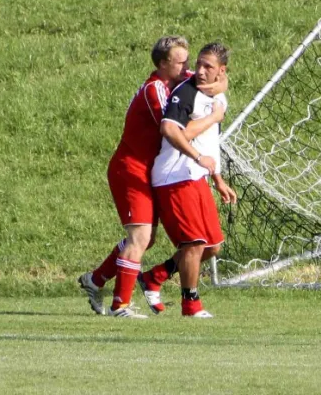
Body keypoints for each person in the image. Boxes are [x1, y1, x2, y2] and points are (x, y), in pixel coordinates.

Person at [78, 36, 227, 318]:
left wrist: (219, 86)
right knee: (141, 236)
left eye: (189, 61)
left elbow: (216, 81)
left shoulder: (178, 83)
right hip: (131, 167)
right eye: (180, 62)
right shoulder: (155, 89)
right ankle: (120, 305)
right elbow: (172, 130)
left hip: (149, 169)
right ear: (162, 64)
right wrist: (211, 122)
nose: (188, 69)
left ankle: (95, 280)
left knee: (151, 239)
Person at [145, 42, 236, 318]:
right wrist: (212, 118)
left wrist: (218, 179)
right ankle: (191, 304)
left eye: (208, 66)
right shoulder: (185, 92)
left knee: (212, 246)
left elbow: (209, 142)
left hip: (197, 176)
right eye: (198, 64)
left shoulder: (218, 97)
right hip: (174, 175)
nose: (199, 70)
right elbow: (170, 129)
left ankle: (154, 277)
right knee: (194, 243)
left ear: (222, 71)